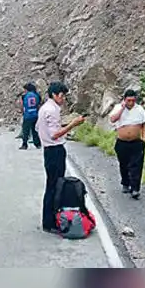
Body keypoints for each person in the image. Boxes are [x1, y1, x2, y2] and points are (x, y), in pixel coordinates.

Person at [35, 81, 86, 233]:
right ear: (54, 95)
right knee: (55, 186)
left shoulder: (44, 108)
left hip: (48, 150)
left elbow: (38, 127)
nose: (63, 99)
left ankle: (49, 220)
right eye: (62, 96)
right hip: (55, 150)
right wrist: (73, 124)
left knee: (51, 184)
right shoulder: (52, 110)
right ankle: (50, 221)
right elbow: (55, 134)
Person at [109, 89, 145, 199]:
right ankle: (125, 183)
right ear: (124, 99)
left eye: (133, 100)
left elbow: (144, 124)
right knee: (124, 164)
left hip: (136, 142)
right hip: (122, 142)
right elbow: (113, 119)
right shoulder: (118, 108)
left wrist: (144, 139)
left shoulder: (139, 109)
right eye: (128, 100)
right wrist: (122, 108)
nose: (130, 103)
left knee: (136, 165)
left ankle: (135, 188)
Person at [19, 83, 42, 149]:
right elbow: (39, 105)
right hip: (35, 115)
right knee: (35, 130)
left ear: (27, 89)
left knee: (25, 131)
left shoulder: (24, 96)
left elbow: (21, 105)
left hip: (27, 115)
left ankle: (24, 144)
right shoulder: (37, 95)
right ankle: (38, 144)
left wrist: (23, 112)